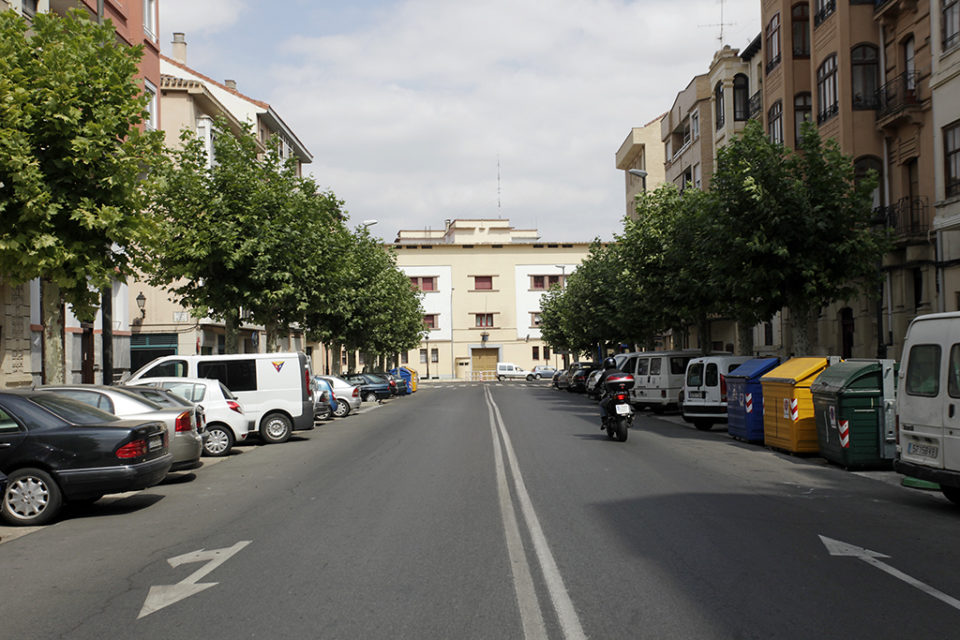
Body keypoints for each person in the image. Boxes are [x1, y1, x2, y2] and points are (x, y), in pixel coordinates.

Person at [597, 356, 626, 428]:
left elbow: (599, 383)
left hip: (612, 395)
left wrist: (595, 388)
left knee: (601, 404)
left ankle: (604, 420)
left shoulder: (605, 373)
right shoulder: (620, 371)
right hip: (623, 394)